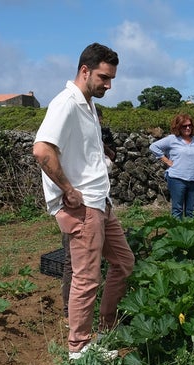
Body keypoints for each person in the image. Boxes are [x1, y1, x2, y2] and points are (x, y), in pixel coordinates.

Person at [32, 42, 135, 360]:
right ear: (85, 70)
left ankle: (103, 330)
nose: (109, 85)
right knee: (87, 276)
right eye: (104, 77)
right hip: (83, 207)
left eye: (112, 78)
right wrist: (67, 189)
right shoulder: (66, 103)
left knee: (123, 263)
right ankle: (78, 347)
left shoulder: (87, 105)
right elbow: (42, 150)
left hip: (99, 202)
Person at [61, 108, 118, 318]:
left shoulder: (101, 138)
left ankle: (84, 312)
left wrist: (102, 146)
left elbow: (111, 160)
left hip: (100, 202)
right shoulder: (76, 139)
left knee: (95, 264)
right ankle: (70, 312)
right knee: (74, 262)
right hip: (79, 206)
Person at [149, 113, 194, 219]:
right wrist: (166, 160)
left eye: (190, 125)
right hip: (177, 179)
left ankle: (190, 234)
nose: (188, 128)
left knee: (192, 211)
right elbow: (153, 147)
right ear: (178, 127)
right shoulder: (172, 139)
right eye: (184, 126)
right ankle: (177, 234)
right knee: (177, 209)